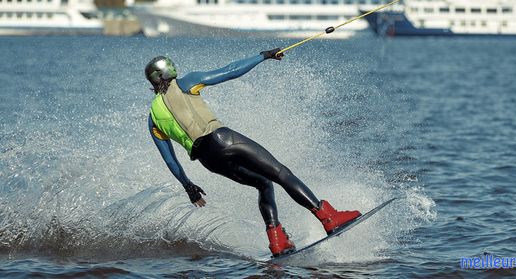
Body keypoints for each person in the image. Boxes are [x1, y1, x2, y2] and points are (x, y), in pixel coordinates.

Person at [145, 48, 361, 257]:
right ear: (166, 72)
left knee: (263, 183)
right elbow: (231, 70)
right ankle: (328, 217)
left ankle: (277, 240)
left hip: (208, 160)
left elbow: (170, 160)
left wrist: (188, 186)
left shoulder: (153, 118)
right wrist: (263, 56)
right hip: (222, 139)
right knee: (280, 172)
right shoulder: (186, 83)